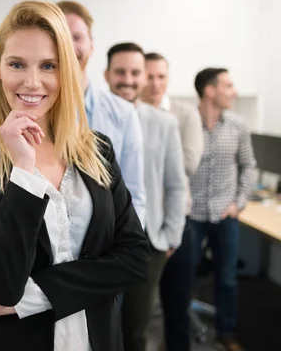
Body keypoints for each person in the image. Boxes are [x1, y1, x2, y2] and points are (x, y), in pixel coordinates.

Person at [0, 0, 150, 351]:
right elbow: (0, 287)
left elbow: (134, 259)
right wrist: (23, 170)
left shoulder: (97, 150)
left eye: (48, 65)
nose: (32, 81)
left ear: (66, 71)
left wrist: (36, 295)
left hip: (96, 338)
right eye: (17, 64)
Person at [103, 43, 185, 351]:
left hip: (147, 243)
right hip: (98, 243)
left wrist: (170, 237)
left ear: (144, 77)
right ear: (106, 74)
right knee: (97, 327)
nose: (128, 79)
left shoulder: (163, 123)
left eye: (135, 73)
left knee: (134, 329)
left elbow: (176, 185)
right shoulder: (88, 117)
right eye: (120, 72)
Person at [56, 0, 146, 226]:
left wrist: (129, 253)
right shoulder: (34, 109)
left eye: (76, 37)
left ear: (91, 44)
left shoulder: (123, 113)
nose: (69, 45)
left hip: (107, 244)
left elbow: (134, 192)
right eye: (60, 36)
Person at [190, 68, 256, 351]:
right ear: (210, 90)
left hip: (224, 214)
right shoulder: (186, 122)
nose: (234, 91)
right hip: (190, 215)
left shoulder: (238, 125)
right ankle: (177, 331)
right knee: (182, 276)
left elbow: (248, 165)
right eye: (228, 85)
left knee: (227, 278)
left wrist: (238, 203)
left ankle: (225, 332)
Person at [142, 52, 204, 351]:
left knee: (176, 307)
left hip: (179, 223)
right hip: (142, 226)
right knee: (138, 314)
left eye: (161, 76)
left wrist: (159, 145)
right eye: (149, 76)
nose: (155, 83)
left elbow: (189, 164)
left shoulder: (184, 113)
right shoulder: (130, 113)